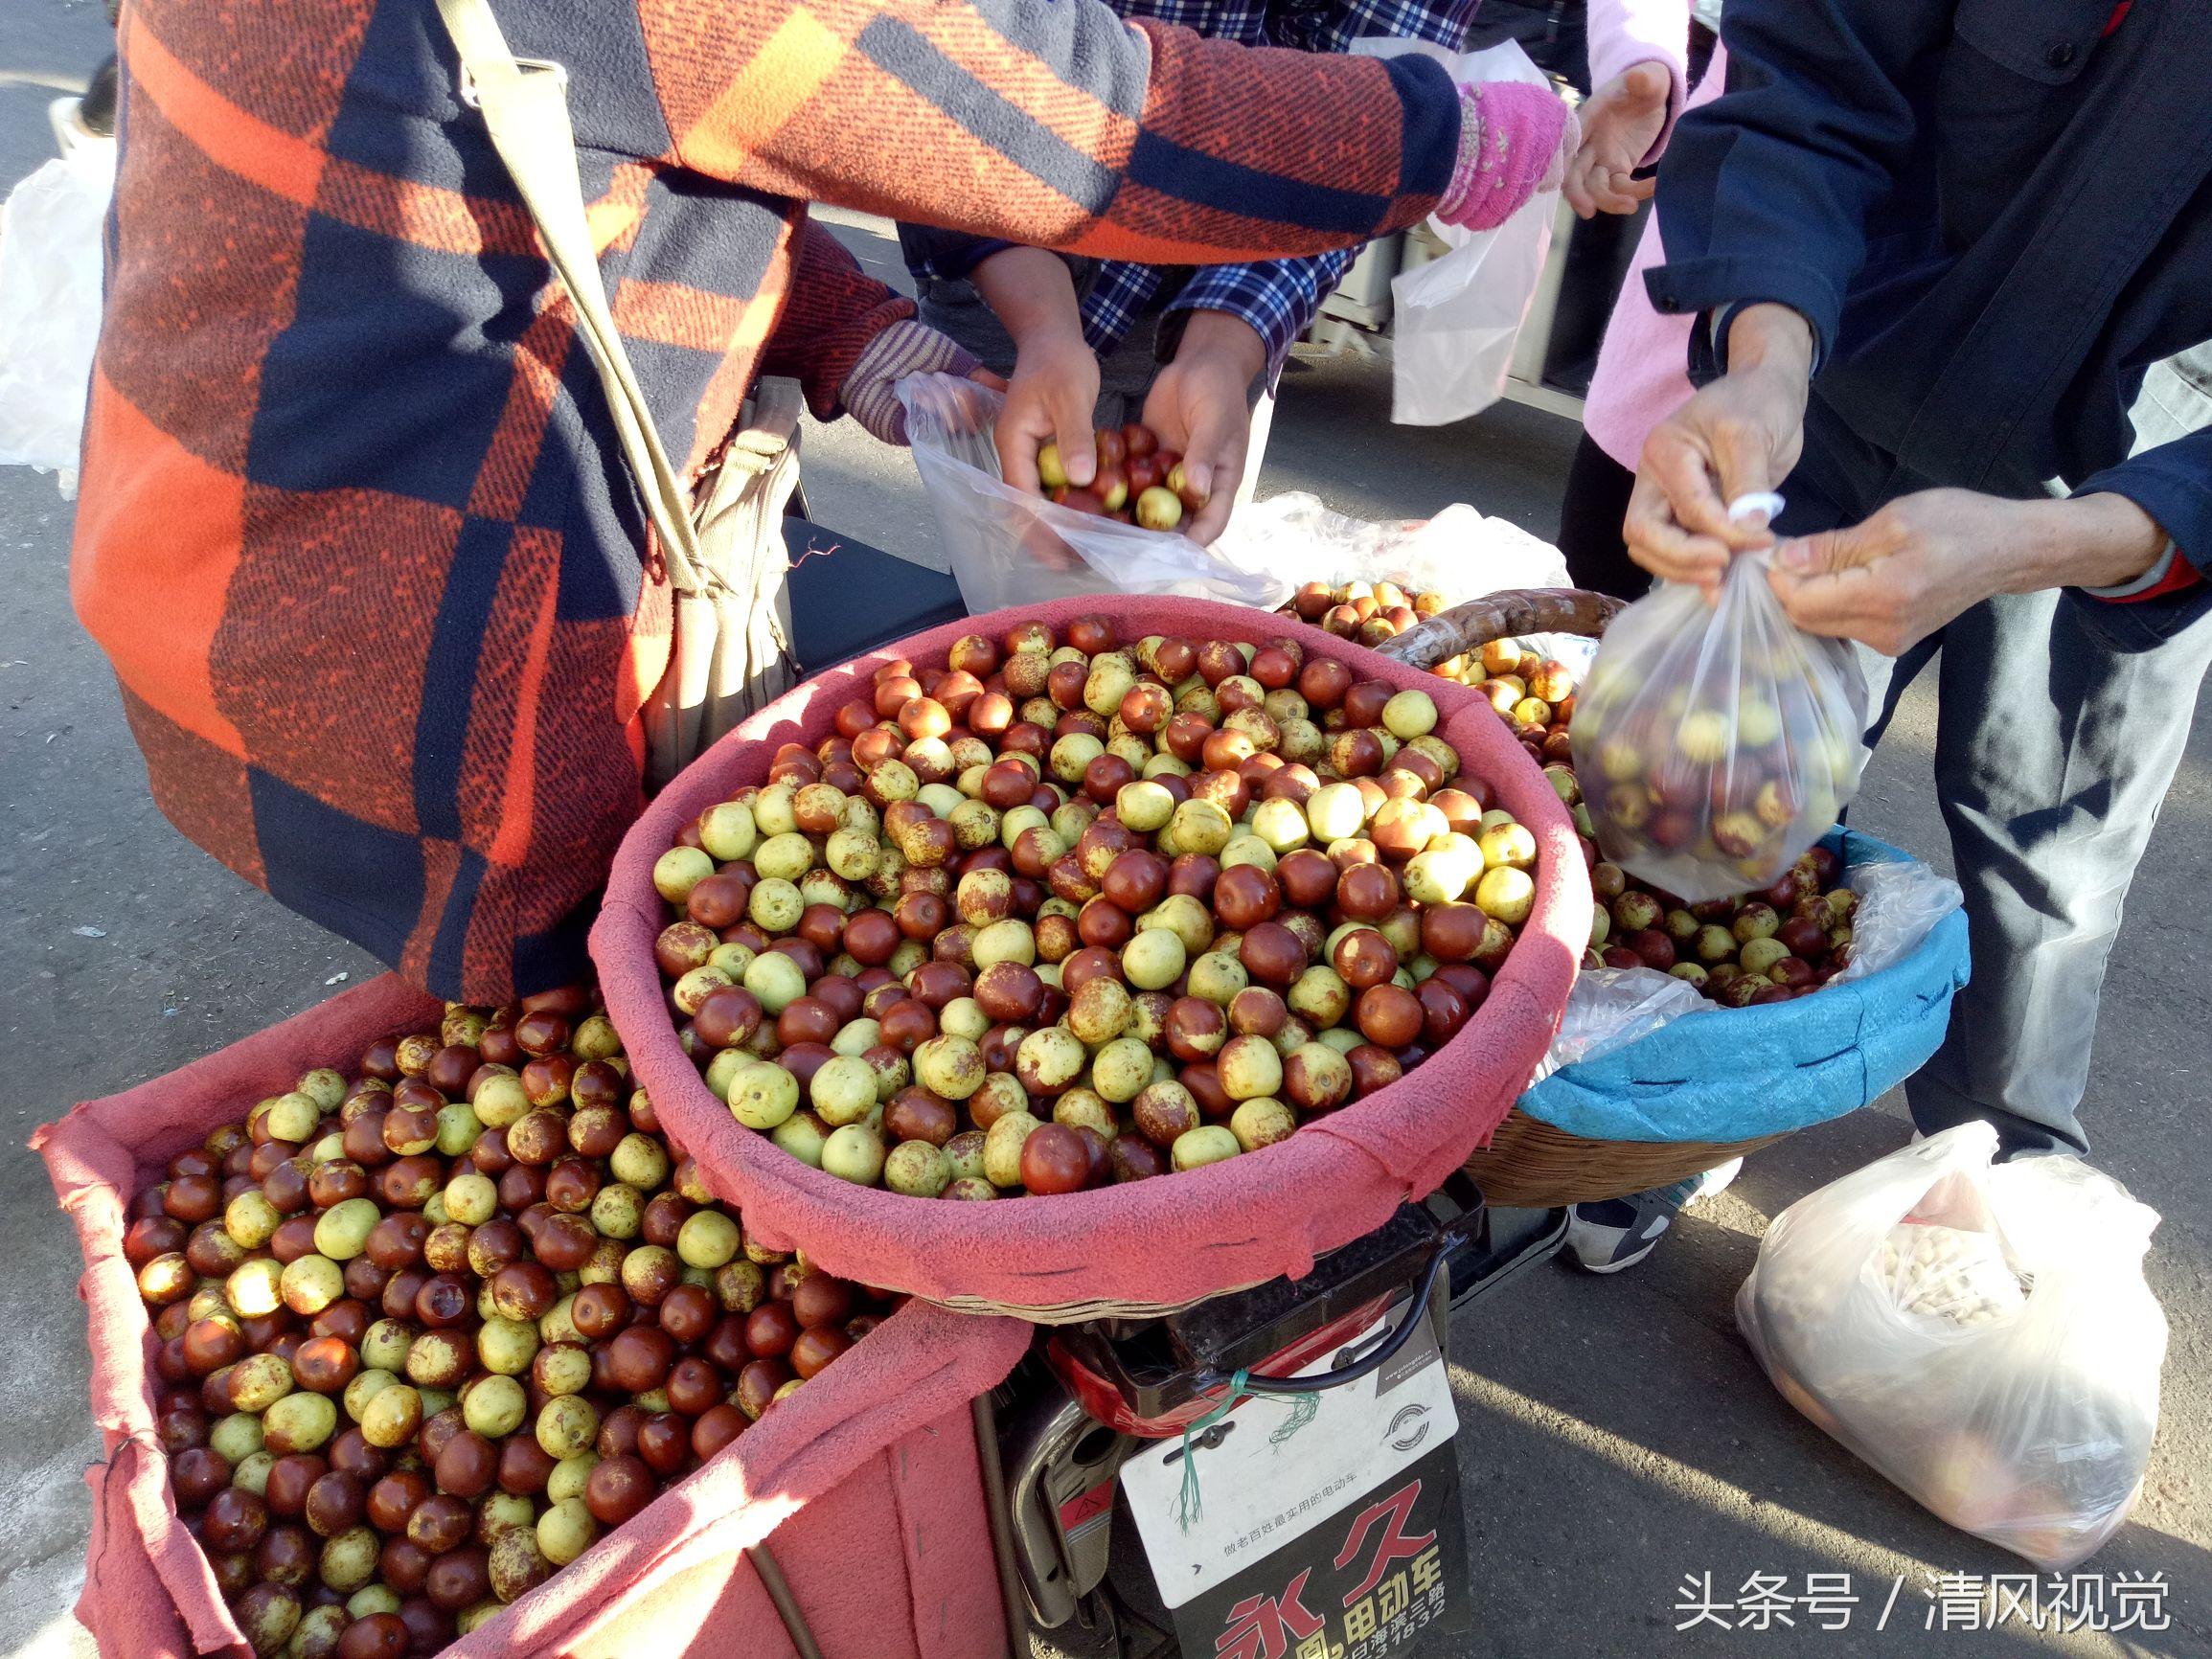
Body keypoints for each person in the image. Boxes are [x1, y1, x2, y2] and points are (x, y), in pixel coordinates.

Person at [72, 0, 1574, 1005]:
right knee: (578, 1043)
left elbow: (566, 174)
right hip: (431, 687)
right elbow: (1080, 120)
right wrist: (1456, 138)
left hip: (199, 590)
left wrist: (884, 353)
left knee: (486, 1025)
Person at [1618, 0, 2210, 1188]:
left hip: (2132, 495)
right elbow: (1812, 80)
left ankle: (1997, 1182)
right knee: (1713, 792)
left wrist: (2086, 536)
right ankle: (1648, 1132)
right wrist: (1764, 359)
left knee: (2050, 878)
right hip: (1838, 391)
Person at [898, 0, 1676, 542]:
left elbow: (1346, 165)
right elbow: (940, 72)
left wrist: (1220, 353)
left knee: (1160, 613)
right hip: (1007, 268)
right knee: (996, 605)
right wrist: (1043, 329)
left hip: (1232, 286)